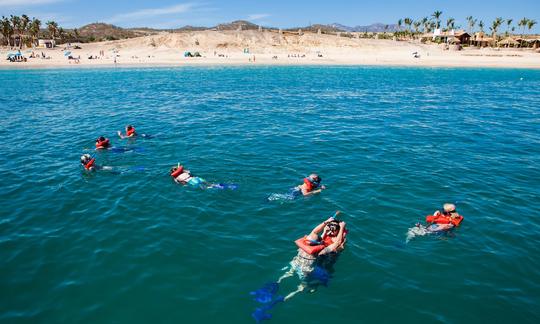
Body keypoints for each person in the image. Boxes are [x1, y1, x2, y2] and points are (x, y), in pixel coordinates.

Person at [277, 211, 347, 300]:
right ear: (319, 244)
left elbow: (314, 232)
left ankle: (279, 281)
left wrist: (326, 223)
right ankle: (286, 297)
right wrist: (341, 228)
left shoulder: (305, 244)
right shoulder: (321, 251)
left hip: (295, 263)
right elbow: (337, 243)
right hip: (305, 271)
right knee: (302, 286)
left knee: (288, 274)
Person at [169, 164, 237, 190]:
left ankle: (221, 187)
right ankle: (228, 185)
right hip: (196, 178)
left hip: (191, 181)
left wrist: (184, 185)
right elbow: (189, 172)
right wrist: (182, 170)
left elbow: (181, 183)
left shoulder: (175, 178)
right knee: (210, 184)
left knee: (206, 188)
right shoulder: (184, 171)